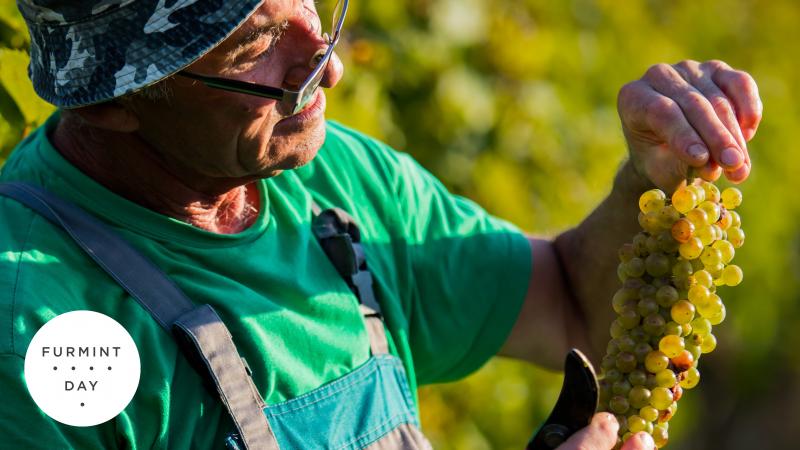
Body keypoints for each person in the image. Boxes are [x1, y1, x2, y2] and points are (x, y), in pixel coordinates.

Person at [0, 1, 761, 449]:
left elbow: (567, 305)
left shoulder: (337, 184)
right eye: (259, 47)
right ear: (110, 105)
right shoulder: (37, 329)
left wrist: (647, 184)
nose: (326, 65)